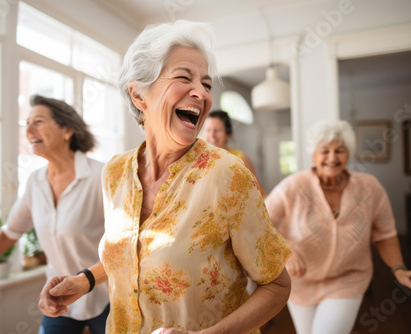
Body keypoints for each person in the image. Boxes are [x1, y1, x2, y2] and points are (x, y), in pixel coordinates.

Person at [38, 20, 291, 334]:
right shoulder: (115, 173)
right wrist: (83, 281)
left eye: (207, 84)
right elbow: (131, 254)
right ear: (139, 96)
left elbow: (277, 286)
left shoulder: (227, 176)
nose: (201, 93)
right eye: (184, 77)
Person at [0, 95, 109, 334]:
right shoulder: (35, 182)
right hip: (58, 297)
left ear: (67, 131)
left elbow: (125, 240)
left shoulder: (102, 175)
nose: (29, 130)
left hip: (107, 295)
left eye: (38, 121)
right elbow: (9, 233)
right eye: (27, 123)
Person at [264, 119, 411, 334]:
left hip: (348, 279)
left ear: (348, 154)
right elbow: (260, 224)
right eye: (325, 151)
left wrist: (399, 269)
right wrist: (286, 251)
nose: (332, 158)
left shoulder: (370, 188)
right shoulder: (293, 186)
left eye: (339, 151)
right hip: (300, 282)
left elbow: (385, 235)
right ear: (313, 155)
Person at [203, 110, 266, 196]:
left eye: (217, 130)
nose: (212, 135)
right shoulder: (196, 157)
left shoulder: (241, 159)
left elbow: (257, 192)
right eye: (208, 130)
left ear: (228, 133)